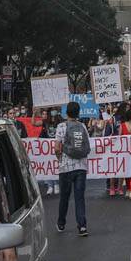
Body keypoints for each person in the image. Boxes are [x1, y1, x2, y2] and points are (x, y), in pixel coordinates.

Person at [54, 101, 89, 236]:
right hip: (81, 167)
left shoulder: (61, 126)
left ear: (66, 112)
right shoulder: (83, 126)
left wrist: (60, 159)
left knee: (64, 197)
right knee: (79, 197)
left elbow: (57, 148)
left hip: (66, 168)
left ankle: (61, 223)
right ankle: (82, 226)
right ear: (78, 113)